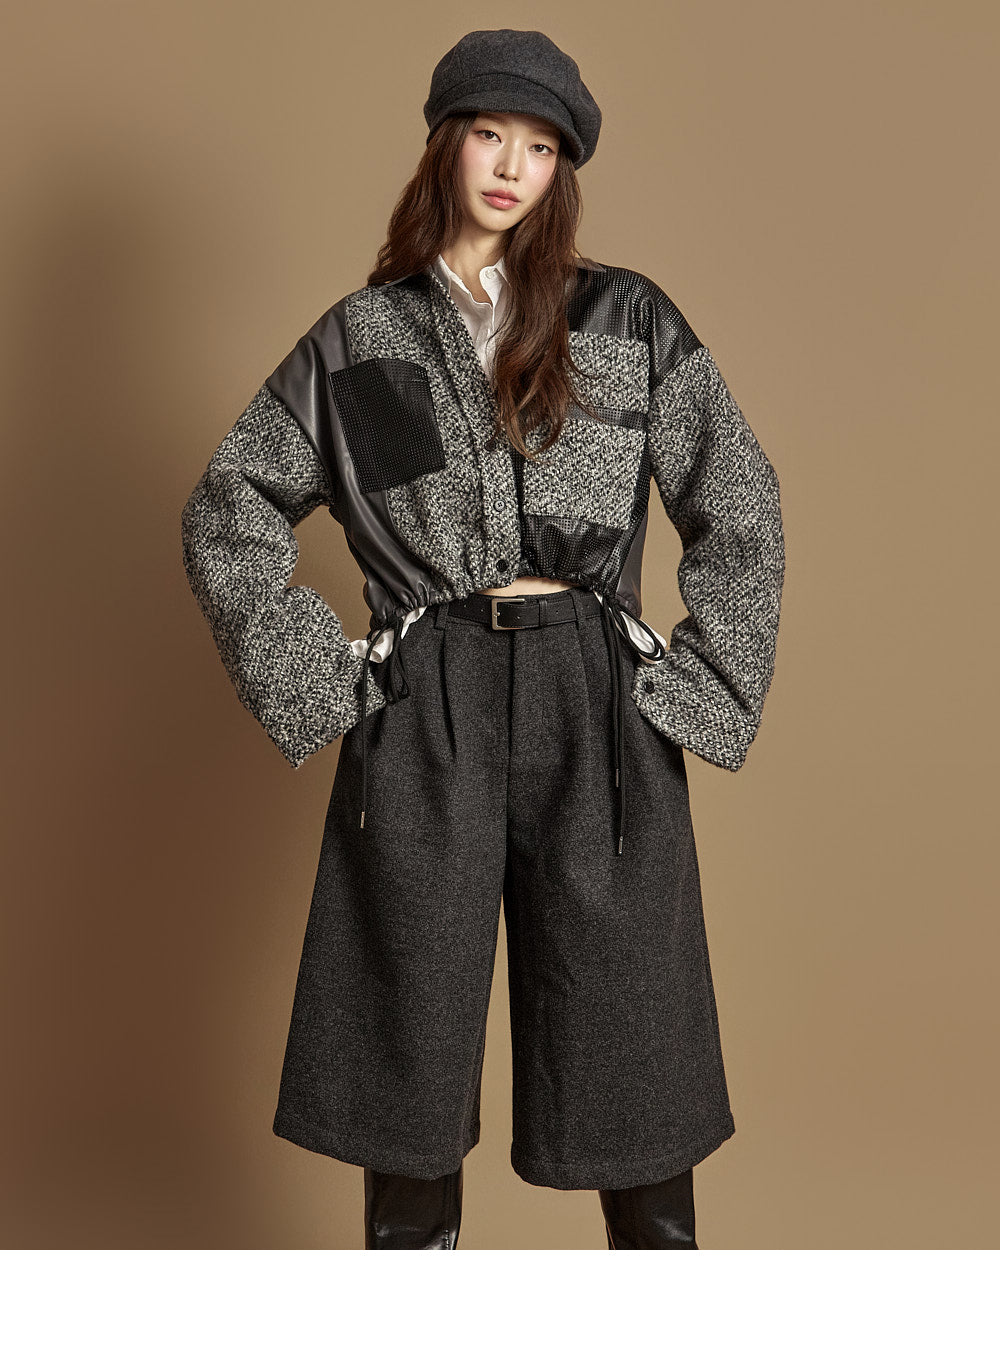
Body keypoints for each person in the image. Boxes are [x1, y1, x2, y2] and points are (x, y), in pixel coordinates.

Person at [180, 28, 786, 1249]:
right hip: (428, 691)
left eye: (542, 146)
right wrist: (324, 680)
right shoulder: (360, 336)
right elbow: (228, 507)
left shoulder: (626, 318)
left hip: (592, 690)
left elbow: (740, 499)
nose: (513, 166)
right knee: (401, 1040)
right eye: (490, 135)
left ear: (563, 168)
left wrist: (698, 686)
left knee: (633, 1046)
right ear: (444, 144)